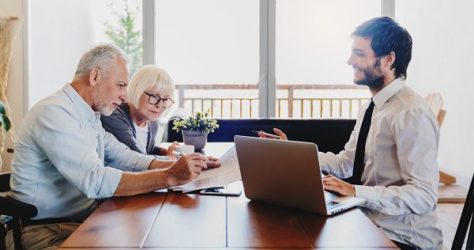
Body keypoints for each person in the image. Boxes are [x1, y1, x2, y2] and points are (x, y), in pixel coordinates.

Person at [259, 17, 442, 249]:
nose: (350, 61)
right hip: (368, 222)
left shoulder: (410, 113)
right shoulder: (372, 107)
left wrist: (356, 191)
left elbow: (424, 195)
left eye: (359, 53)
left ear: (388, 59)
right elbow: (347, 162)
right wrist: (293, 152)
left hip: (403, 239)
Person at [7, 44, 208, 250]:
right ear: (95, 77)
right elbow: (95, 180)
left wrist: (179, 164)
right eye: (121, 85)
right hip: (43, 232)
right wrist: (170, 176)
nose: (124, 95)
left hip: (83, 221)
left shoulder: (89, 115)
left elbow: (123, 156)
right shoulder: (53, 112)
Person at [100, 65, 220, 167]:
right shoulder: (114, 115)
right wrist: (186, 162)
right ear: (137, 90)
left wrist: (170, 152)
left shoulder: (152, 122)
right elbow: (138, 158)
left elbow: (148, 150)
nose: (160, 105)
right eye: (154, 96)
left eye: (165, 99)